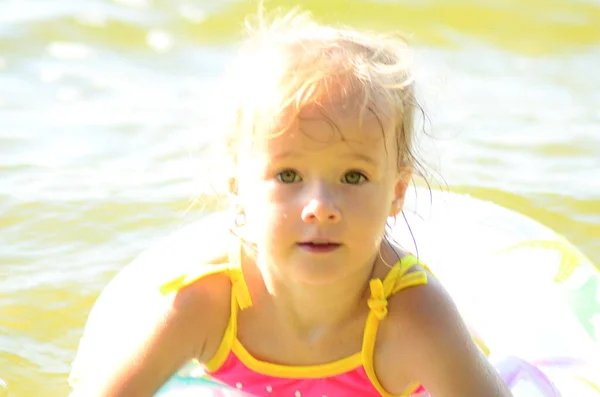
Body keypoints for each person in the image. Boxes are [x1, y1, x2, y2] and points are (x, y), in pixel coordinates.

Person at [69, 7, 512, 397]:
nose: (320, 206)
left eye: (353, 176)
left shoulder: (414, 320)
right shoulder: (207, 304)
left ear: (396, 192)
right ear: (236, 185)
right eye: (288, 176)